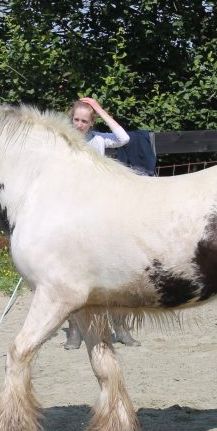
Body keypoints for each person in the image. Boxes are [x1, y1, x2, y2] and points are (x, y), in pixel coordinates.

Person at [63, 96, 140, 349]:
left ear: (91, 122)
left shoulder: (99, 139)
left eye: (85, 120)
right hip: (74, 211)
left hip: (101, 210)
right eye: (76, 119)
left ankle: (121, 326)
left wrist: (99, 109)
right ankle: (75, 329)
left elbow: (124, 139)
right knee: (75, 271)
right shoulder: (62, 141)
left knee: (113, 269)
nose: (79, 124)